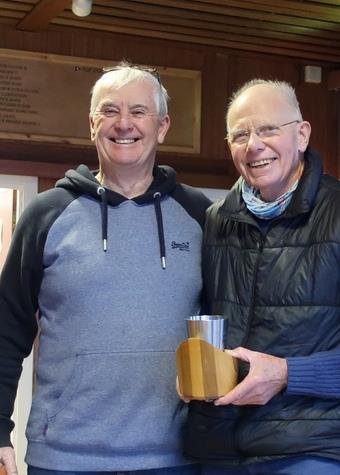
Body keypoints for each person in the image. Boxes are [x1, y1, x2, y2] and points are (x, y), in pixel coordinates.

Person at [0, 61, 211, 475]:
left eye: (138, 111)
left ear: (162, 126)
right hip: (63, 457)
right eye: (110, 110)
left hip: (175, 459)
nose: (124, 123)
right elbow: (6, 329)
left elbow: (226, 328)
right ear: (92, 124)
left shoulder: (200, 215)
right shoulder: (47, 214)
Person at [182, 79, 340, 474]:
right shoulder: (217, 219)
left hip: (310, 450)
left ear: (302, 135)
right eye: (240, 134)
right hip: (219, 447)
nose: (254, 144)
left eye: (269, 129)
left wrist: (288, 374)